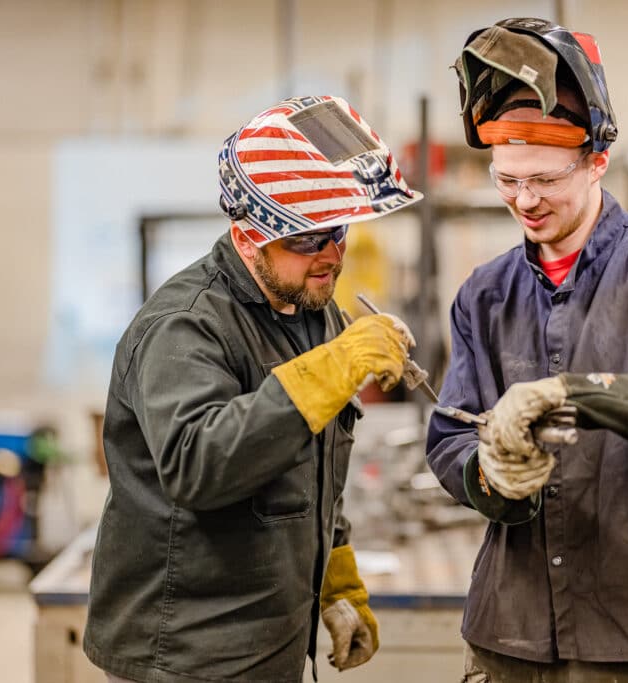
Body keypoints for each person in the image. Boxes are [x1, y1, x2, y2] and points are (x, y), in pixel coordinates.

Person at [426, 17, 628, 683]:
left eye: (545, 179)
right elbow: (449, 433)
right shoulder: (484, 295)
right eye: (508, 179)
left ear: (597, 161)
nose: (525, 199)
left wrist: (583, 394)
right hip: (509, 627)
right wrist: (488, 474)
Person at [84, 95, 423, 682]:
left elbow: (315, 463)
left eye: (337, 231)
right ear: (247, 238)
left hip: (270, 647)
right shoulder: (184, 327)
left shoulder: (313, 314)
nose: (330, 257)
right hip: (185, 656)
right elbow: (198, 464)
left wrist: (334, 576)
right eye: (305, 239)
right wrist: (330, 371)